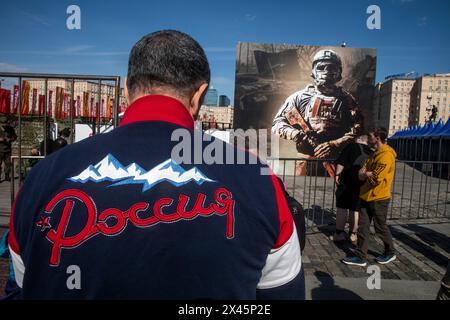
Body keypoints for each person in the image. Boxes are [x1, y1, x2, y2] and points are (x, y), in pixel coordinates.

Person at [8, 30, 304, 299]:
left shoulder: (41, 176)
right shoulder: (258, 180)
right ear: (199, 95)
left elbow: (20, 289)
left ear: (125, 89)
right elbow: (283, 294)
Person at [272, 49, 364, 176]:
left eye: (332, 67)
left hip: (335, 161)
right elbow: (277, 124)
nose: (327, 71)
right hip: (305, 160)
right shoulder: (299, 97)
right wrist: (296, 135)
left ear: (339, 73)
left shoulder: (348, 100)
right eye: (321, 67)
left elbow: (358, 129)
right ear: (313, 72)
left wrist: (335, 144)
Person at [342, 127, 397, 266]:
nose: (368, 138)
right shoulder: (373, 154)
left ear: (377, 138)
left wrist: (366, 174)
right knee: (363, 227)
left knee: (380, 227)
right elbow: (361, 174)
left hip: (379, 198)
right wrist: (365, 174)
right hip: (365, 196)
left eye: (370, 135)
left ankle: (390, 252)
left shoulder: (386, 155)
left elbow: (376, 179)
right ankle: (361, 256)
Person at [331, 134, 372, 244]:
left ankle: (339, 233)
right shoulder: (370, 151)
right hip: (362, 182)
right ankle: (353, 234)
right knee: (355, 208)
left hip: (347, 180)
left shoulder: (351, 146)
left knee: (342, 207)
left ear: (359, 139)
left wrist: (337, 174)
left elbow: (342, 162)